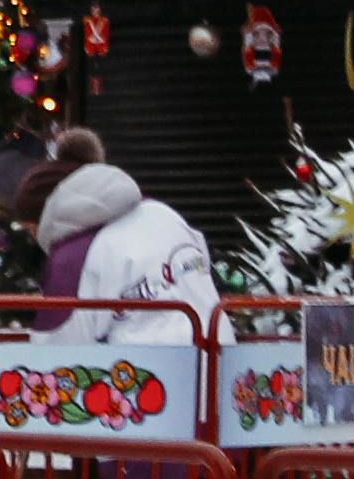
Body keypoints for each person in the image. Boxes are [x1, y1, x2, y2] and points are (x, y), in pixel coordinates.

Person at [18, 127, 216, 341]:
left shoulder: (72, 257)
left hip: (147, 368)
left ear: (47, 217)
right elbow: (202, 262)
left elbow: (59, 345)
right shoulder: (161, 212)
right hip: (218, 354)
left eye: (31, 229)